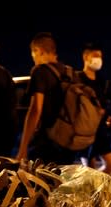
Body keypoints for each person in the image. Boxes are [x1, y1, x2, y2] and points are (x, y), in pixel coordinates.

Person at [16, 32, 77, 165]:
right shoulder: (69, 72)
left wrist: (23, 147)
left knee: (39, 182)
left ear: (39, 51)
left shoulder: (39, 71)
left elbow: (35, 110)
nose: (33, 58)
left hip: (46, 143)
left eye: (33, 53)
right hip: (67, 142)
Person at [77, 42, 111, 174]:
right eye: (95, 56)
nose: (98, 59)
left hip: (100, 130)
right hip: (85, 130)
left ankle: (97, 184)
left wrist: (108, 112)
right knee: (89, 168)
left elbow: (109, 101)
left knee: (110, 165)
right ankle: (92, 190)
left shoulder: (102, 81)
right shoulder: (78, 79)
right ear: (86, 57)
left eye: (100, 56)